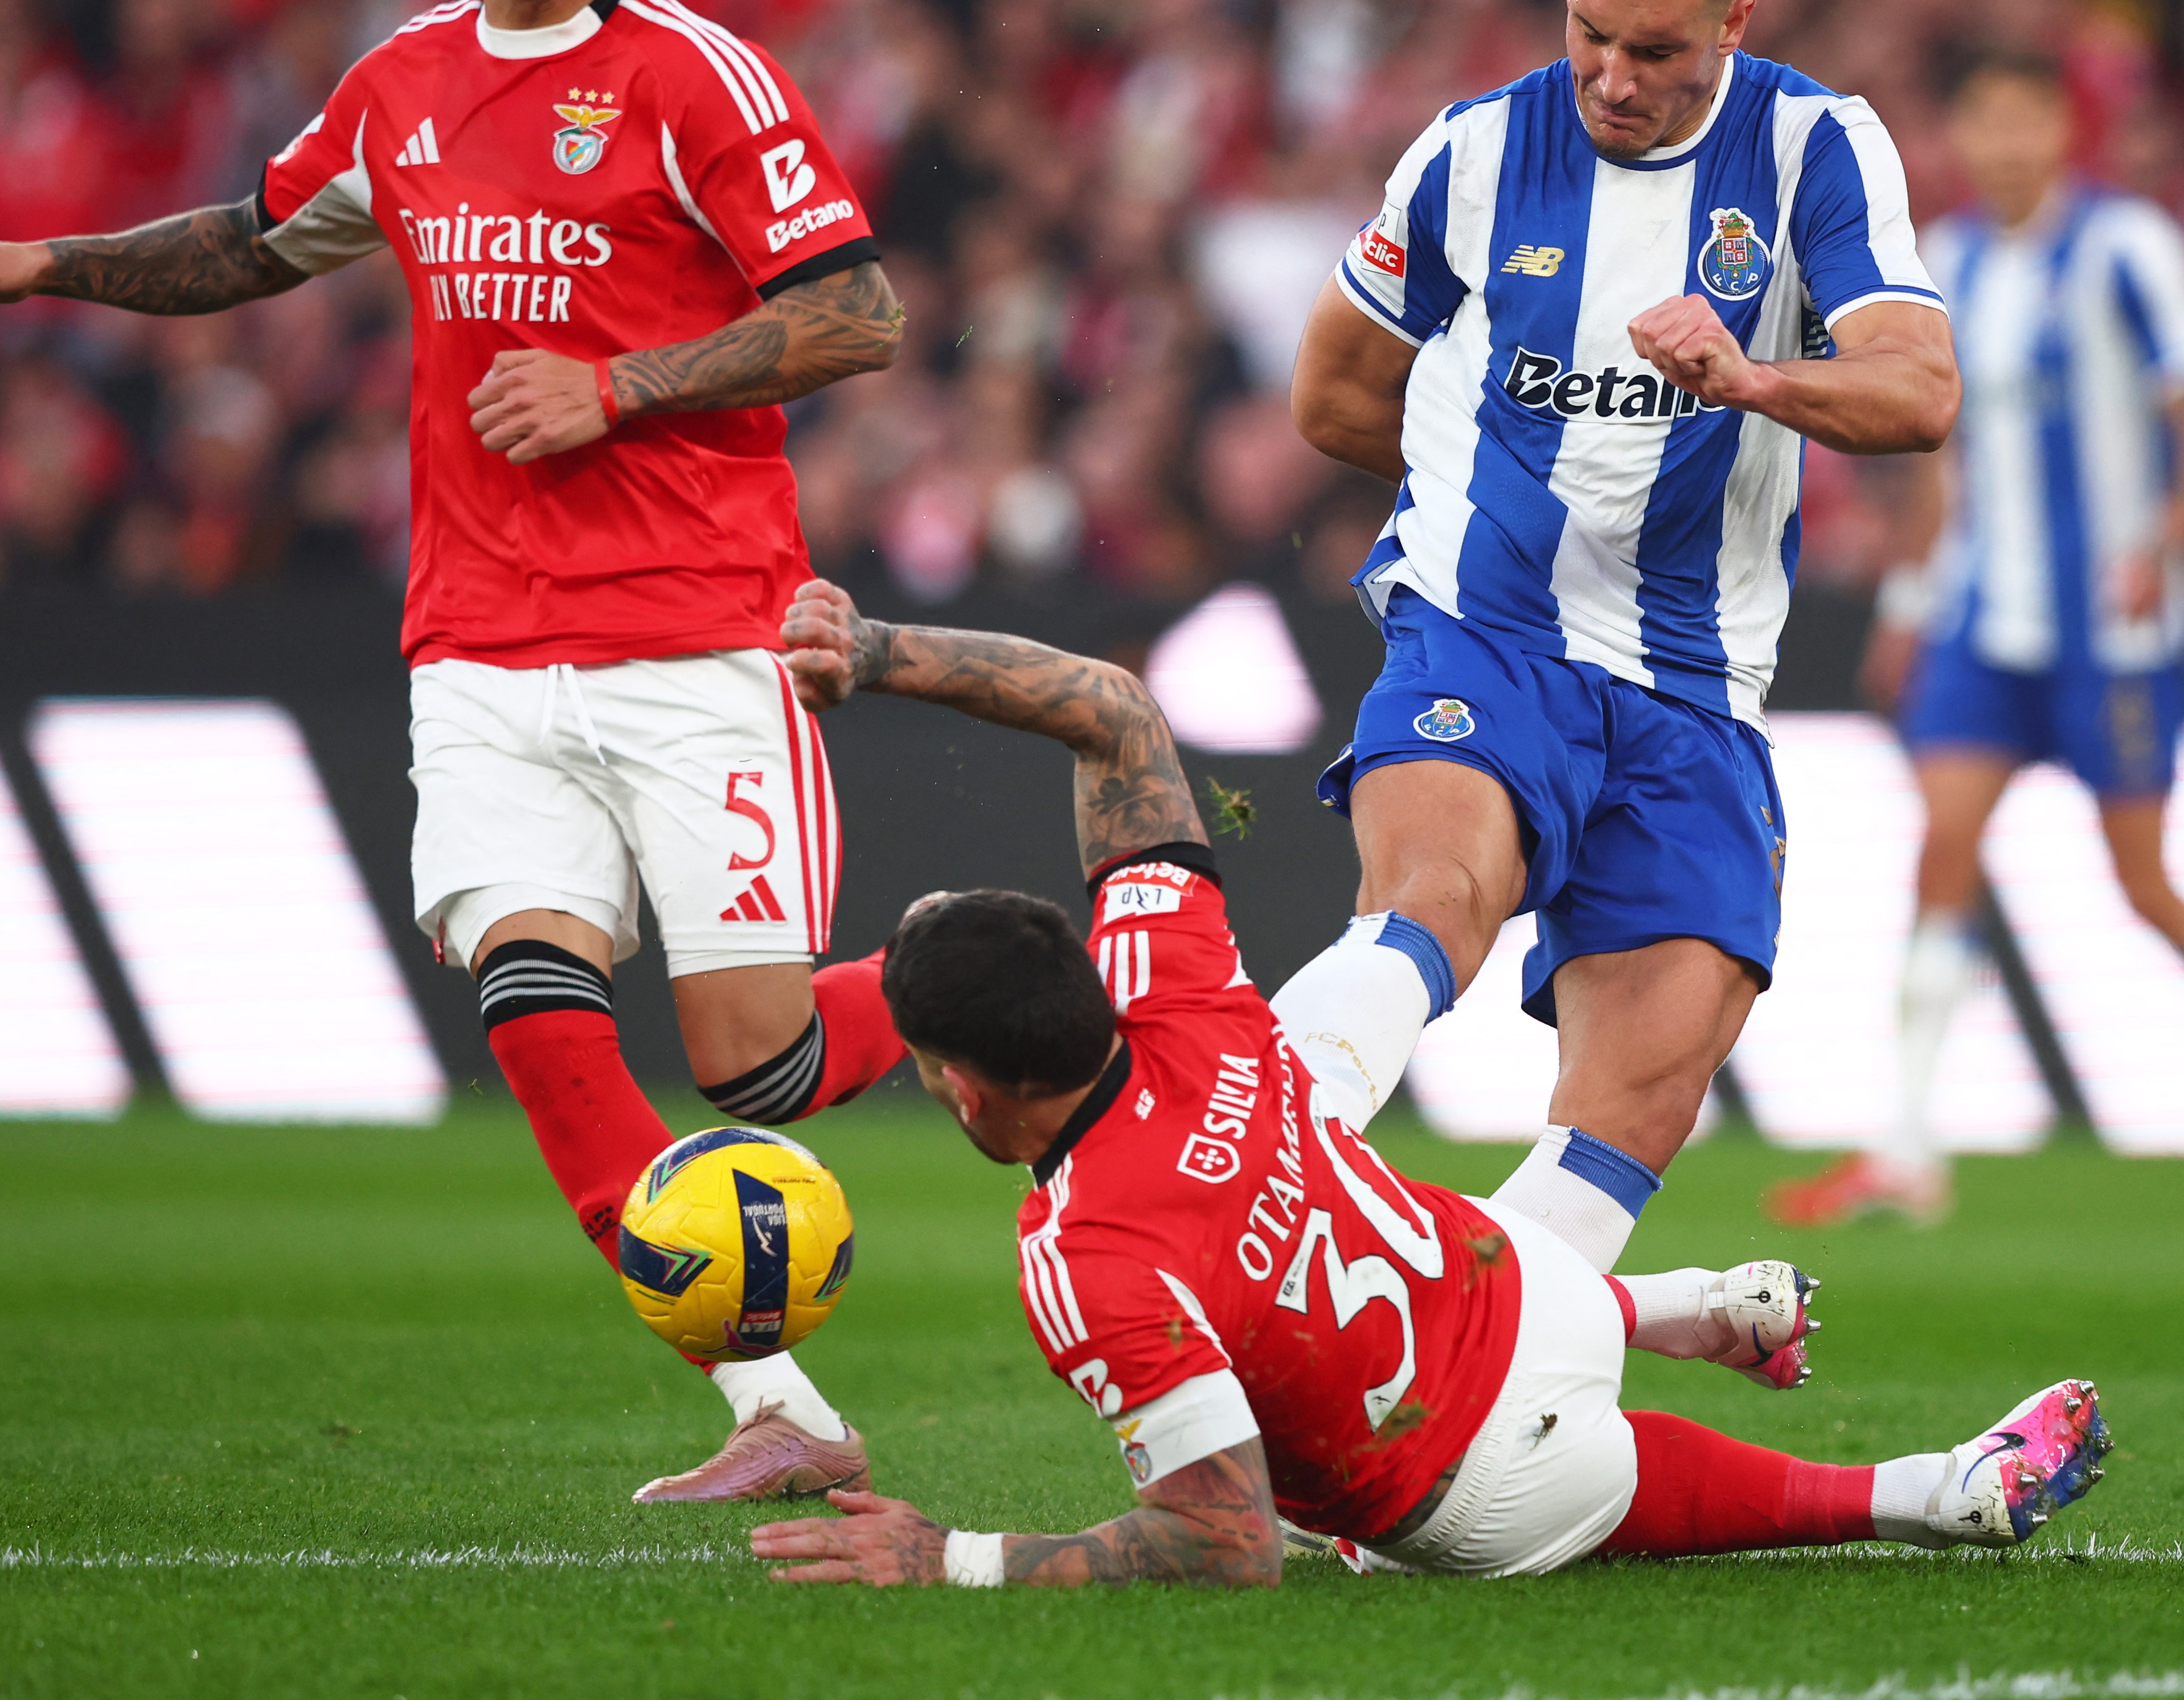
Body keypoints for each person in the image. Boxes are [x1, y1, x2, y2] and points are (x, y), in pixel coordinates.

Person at [0, 0, 915, 1497]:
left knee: (755, 1071)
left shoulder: (700, 79)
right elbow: (257, 241)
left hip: (692, 627)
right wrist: (43, 265)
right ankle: (779, 1417)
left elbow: (857, 314)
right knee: (534, 1000)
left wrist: (620, 387)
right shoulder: (403, 82)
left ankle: (1022, 974)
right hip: (479, 638)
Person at [748, 576, 2109, 1587]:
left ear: (967, 1090)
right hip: (1521, 1281)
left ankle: (1929, 1489)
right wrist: (876, 650)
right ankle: (1683, 1307)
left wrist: (953, 1556)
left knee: (1503, 1483)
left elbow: (1222, 1538)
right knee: (1358, 1158)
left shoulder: (1082, 1254)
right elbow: (1110, 712)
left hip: (1491, 1484)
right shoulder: (1170, 977)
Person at [1275, 0, 1961, 1272]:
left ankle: (1453, 1366)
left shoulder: (1813, 150)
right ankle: (1253, 1166)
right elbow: (1335, 397)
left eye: (1655, 49)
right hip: (1485, 627)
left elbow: (1918, 391)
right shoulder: (1470, 153)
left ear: (1734, 23)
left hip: (1693, 677)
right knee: (1433, 899)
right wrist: (1484, 483)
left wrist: (1750, 379)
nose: (1611, 75)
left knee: (1640, 1097)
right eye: (1587, 32)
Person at [1767, 51, 2184, 1233]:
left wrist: (2171, 532)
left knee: (2140, 882)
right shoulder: (1952, 260)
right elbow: (1940, 458)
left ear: (2061, 130)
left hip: (2110, 625)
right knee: (1941, 849)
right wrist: (1907, 607)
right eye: (1981, 122)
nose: (2002, 146)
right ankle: (1908, 1149)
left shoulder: (2125, 246)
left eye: (2024, 121)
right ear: (1962, 136)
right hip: (1985, 617)